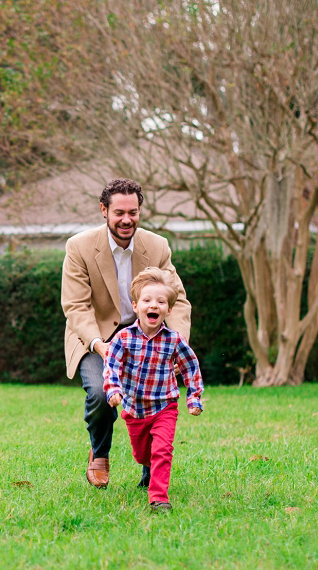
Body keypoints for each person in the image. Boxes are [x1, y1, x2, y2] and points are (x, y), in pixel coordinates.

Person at [60, 178, 192, 489]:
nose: (126, 219)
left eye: (133, 212)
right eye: (119, 212)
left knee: (154, 399)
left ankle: (150, 473)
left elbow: (178, 299)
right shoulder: (78, 247)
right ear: (104, 210)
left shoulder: (156, 246)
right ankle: (100, 453)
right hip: (96, 334)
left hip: (146, 333)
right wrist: (99, 346)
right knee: (100, 393)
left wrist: (179, 345)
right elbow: (76, 306)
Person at [104, 267, 204, 512]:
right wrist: (113, 389)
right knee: (142, 454)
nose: (154, 305)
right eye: (147, 300)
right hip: (134, 408)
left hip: (164, 406)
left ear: (168, 310)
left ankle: (158, 497)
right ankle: (146, 467)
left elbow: (190, 366)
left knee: (162, 450)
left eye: (161, 302)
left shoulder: (174, 340)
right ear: (136, 306)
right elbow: (111, 365)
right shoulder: (124, 338)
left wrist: (193, 397)